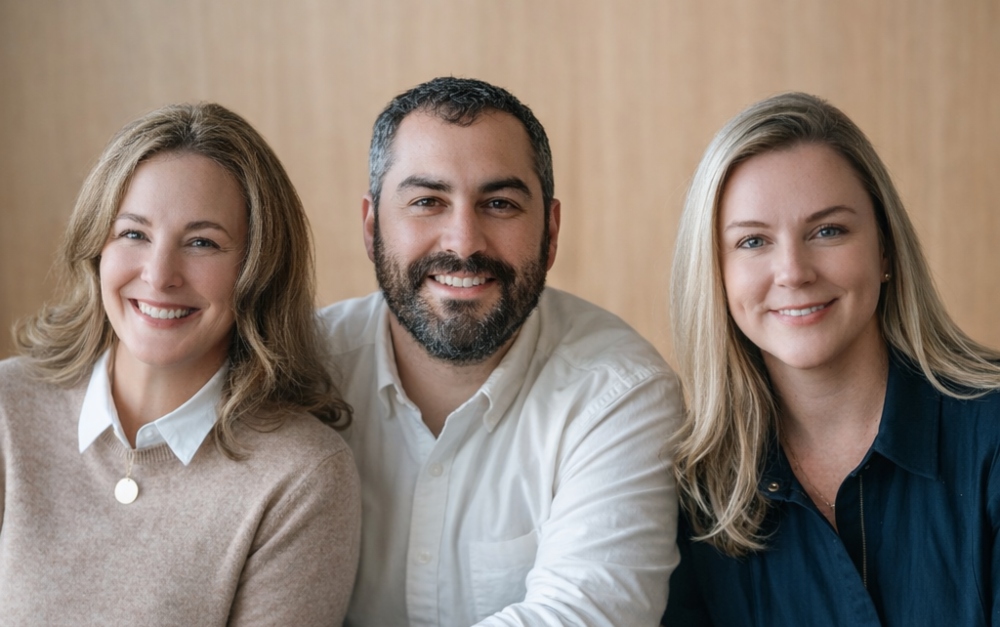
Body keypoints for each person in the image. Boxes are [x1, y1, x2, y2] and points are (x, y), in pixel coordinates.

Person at [319, 76, 683, 626]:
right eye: (426, 201)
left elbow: (584, 617)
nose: (463, 242)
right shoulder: (299, 371)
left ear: (551, 231)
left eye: (500, 203)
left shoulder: (620, 392)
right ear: (372, 229)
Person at [0, 103, 362, 625]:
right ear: (96, 245)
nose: (159, 274)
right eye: (133, 234)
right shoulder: (9, 409)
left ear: (257, 270)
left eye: (201, 243)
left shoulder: (301, 477)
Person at [662, 92, 1000, 626]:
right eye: (753, 241)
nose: (793, 271)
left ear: (885, 250)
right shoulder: (691, 493)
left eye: (828, 231)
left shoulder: (991, 439)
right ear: (716, 275)